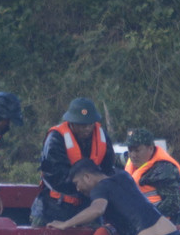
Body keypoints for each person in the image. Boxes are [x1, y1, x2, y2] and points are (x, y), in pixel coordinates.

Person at [47, 159, 180, 235]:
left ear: (87, 177)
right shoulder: (124, 176)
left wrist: (66, 224)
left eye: (77, 183)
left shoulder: (99, 188)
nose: (77, 189)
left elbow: (97, 209)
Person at [30, 97, 117, 227]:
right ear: (71, 123)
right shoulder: (56, 138)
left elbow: (108, 169)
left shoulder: (102, 136)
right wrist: (88, 184)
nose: (86, 129)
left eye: (89, 124)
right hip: (55, 205)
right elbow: (56, 176)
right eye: (81, 125)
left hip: (88, 203)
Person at [124, 128, 180, 224]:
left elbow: (173, 204)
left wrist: (145, 218)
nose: (133, 155)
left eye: (137, 150)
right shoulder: (133, 159)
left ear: (150, 148)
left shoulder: (164, 169)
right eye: (130, 150)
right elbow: (117, 158)